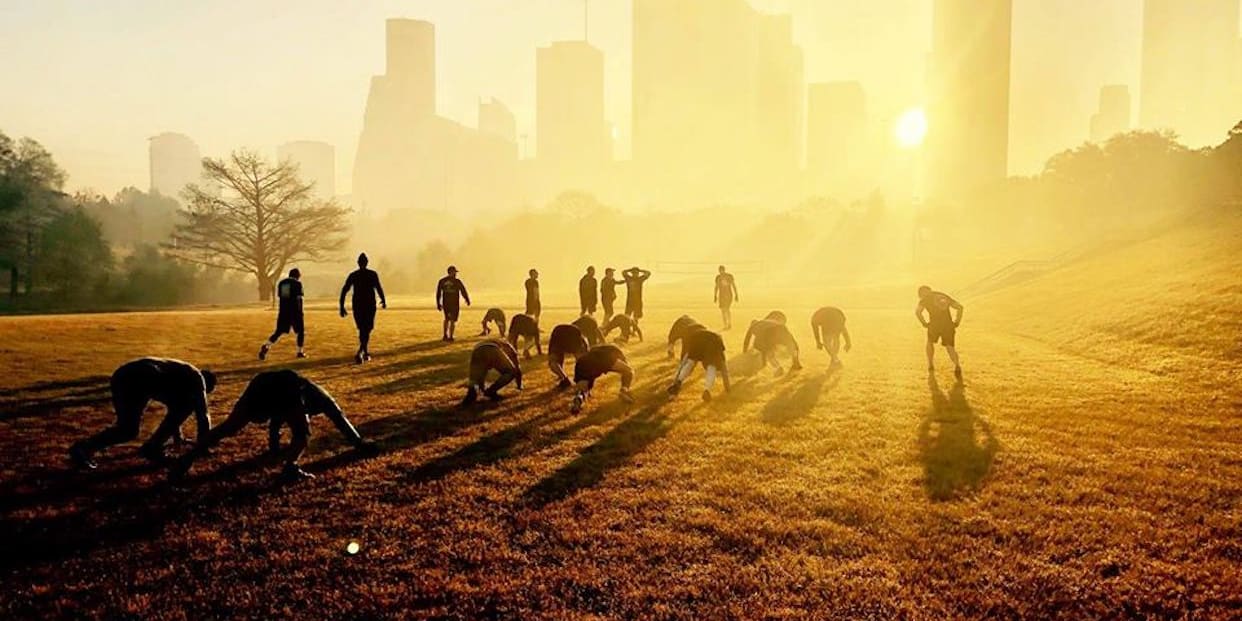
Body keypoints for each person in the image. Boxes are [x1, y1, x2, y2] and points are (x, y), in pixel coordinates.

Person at [170, 369, 377, 482]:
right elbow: (340, 420)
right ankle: (291, 467)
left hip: (260, 383)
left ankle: (187, 458)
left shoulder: (303, 397)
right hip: (285, 386)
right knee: (302, 434)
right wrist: (358, 443)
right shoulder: (321, 399)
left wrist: (274, 444)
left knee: (229, 427)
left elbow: (278, 418)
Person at [69, 357, 216, 470]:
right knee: (186, 406)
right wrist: (203, 447)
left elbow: (174, 410)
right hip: (144, 375)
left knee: (127, 430)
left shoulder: (180, 375)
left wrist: (179, 437)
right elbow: (203, 415)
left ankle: (84, 448)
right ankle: (152, 448)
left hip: (123, 375)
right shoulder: (197, 379)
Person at [340, 253, 386, 364]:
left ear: (358, 263)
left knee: (363, 329)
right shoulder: (372, 274)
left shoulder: (353, 275)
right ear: (367, 262)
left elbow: (344, 290)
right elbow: (379, 288)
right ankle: (361, 351)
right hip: (369, 304)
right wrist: (383, 300)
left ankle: (364, 351)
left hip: (358, 305)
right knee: (367, 329)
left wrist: (341, 306)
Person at [667, 329, 730, 402]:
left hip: (696, 339)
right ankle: (707, 390)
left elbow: (683, 362)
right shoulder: (718, 342)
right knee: (712, 366)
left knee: (691, 362)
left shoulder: (694, 337)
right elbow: (724, 367)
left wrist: (676, 381)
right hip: (711, 342)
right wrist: (727, 387)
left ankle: (679, 382)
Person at [916, 285, 964, 379]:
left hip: (934, 326)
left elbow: (918, 312)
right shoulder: (943, 295)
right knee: (950, 347)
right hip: (948, 326)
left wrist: (924, 323)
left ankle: (930, 364)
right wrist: (957, 321)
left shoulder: (925, 299)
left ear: (922, 293)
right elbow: (960, 307)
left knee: (930, 343)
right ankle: (957, 365)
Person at [570, 345, 636, 414]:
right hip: (602, 360)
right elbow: (625, 364)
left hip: (581, 363)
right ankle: (624, 390)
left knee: (583, 390)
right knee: (628, 371)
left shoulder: (594, 350)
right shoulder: (615, 350)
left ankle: (578, 400)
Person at [260, 268, 306, 360]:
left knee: (279, 331)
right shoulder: (297, 284)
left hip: (284, 312)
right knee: (300, 332)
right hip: (295, 312)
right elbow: (298, 299)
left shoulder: (282, 283)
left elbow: (284, 297)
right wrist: (300, 312)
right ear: (297, 276)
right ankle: (299, 352)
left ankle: (266, 345)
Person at [461, 340, 524, 406]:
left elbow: (479, 376)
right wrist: (519, 385)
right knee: (511, 372)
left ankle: (471, 395)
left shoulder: (494, 342)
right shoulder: (508, 346)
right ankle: (491, 391)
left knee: (475, 378)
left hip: (476, 350)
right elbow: (517, 368)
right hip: (491, 348)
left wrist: (479, 388)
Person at [547, 324, 591, 388]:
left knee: (553, 362)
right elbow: (583, 341)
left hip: (558, 335)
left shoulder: (560, 334)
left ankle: (565, 379)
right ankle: (583, 377)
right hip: (569, 334)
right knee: (580, 360)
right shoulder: (577, 334)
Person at [436, 265, 471, 342]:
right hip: (454, 304)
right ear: (451, 272)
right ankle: (450, 336)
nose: (455, 274)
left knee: (447, 319)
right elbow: (463, 291)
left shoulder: (442, 281)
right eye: (454, 272)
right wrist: (467, 299)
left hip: (446, 303)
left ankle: (445, 335)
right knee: (452, 320)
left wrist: (438, 303)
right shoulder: (457, 281)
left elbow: (438, 293)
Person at [713, 265, 739, 330]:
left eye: (722, 270)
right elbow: (716, 287)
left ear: (724, 270)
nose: (721, 272)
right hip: (721, 295)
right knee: (723, 310)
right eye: (720, 271)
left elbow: (733, 285)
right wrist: (715, 296)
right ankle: (725, 324)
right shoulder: (718, 278)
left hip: (728, 294)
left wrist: (736, 295)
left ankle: (729, 323)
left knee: (727, 309)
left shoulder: (729, 276)